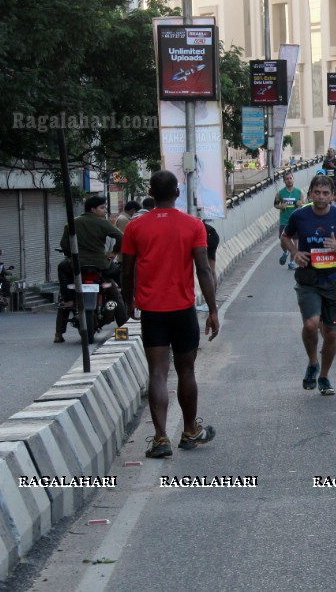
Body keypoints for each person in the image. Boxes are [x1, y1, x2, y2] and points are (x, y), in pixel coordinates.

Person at [120, 171, 219, 459]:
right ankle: (189, 431)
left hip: (151, 311)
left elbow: (126, 271)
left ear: (151, 192)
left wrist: (129, 302)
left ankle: (161, 438)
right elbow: (203, 269)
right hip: (183, 310)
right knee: (186, 371)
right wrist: (212, 310)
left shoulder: (135, 228)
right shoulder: (193, 225)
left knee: (157, 373)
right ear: (177, 193)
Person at [281, 174, 336, 396]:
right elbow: (285, 237)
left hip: (334, 281)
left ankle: (324, 376)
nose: (321, 197)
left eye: (326, 193)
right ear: (310, 194)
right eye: (317, 192)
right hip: (308, 280)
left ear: (333, 196)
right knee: (310, 325)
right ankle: (313, 362)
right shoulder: (300, 216)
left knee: (331, 333)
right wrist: (295, 252)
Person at [55, 196, 125, 343]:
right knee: (117, 295)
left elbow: (64, 244)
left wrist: (72, 255)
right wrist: (113, 253)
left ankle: (58, 334)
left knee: (62, 272)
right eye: (102, 208)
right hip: (101, 265)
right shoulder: (103, 223)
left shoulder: (73, 223)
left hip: (76, 265)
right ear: (92, 209)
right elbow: (121, 236)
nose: (105, 211)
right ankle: (123, 328)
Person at [275, 172, 305, 269]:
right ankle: (285, 251)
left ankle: (291, 263)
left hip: (296, 221)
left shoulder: (299, 192)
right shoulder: (280, 193)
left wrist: (300, 204)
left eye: (290, 178)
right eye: (287, 179)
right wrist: (280, 206)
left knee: (295, 243)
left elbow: (303, 204)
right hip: (284, 220)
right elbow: (275, 204)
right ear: (284, 181)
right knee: (282, 240)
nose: (289, 180)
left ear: (293, 179)